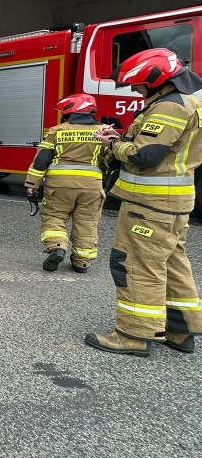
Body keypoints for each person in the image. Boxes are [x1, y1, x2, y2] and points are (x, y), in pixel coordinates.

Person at [88, 48, 202, 357]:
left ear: (155, 80)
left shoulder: (170, 106)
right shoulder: (190, 101)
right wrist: (125, 136)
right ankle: (180, 331)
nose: (135, 91)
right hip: (173, 203)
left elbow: (145, 156)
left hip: (150, 204)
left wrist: (114, 144)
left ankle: (133, 336)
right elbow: (164, 147)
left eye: (138, 85)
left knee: (135, 265)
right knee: (172, 263)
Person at [24, 94, 109, 273]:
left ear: (69, 112)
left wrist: (32, 184)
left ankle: (57, 246)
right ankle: (82, 262)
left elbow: (41, 161)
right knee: (87, 222)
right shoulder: (104, 131)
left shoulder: (57, 131)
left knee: (54, 217)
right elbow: (110, 160)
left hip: (59, 186)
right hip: (92, 187)